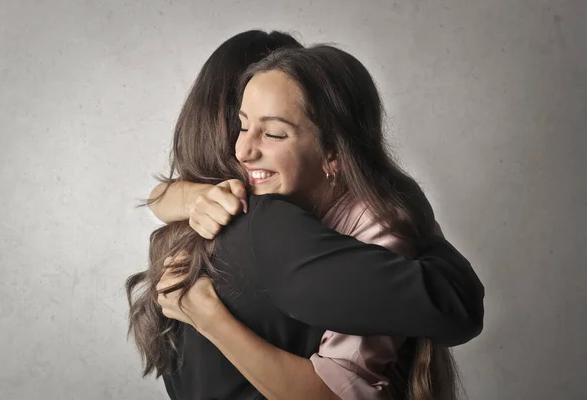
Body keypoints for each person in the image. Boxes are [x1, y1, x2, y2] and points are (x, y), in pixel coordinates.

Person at [127, 32, 484, 400]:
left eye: (275, 133)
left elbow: (452, 311)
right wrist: (192, 197)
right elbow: (160, 197)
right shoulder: (251, 201)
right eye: (243, 125)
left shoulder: (366, 227)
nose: (243, 150)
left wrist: (208, 315)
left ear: (334, 152)